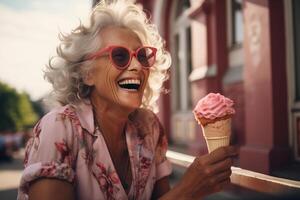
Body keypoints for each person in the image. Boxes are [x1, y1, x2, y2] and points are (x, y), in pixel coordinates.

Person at [18, 0, 238, 199]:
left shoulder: (150, 127)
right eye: (120, 56)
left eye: (142, 56)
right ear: (87, 73)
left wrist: (199, 185)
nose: (137, 66)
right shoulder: (59, 127)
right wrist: (187, 191)